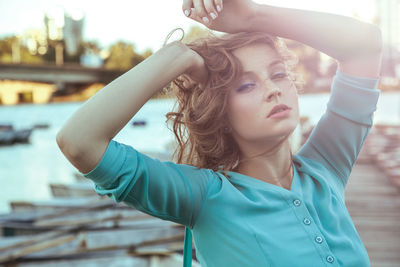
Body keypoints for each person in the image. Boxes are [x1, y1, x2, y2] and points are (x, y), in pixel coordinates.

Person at [56, 0, 383, 266]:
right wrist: (180, 55)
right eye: (246, 85)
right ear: (221, 114)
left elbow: (365, 46)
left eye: (278, 74)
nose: (272, 90)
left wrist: (253, 14)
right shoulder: (203, 198)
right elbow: (79, 141)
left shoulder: (325, 167)